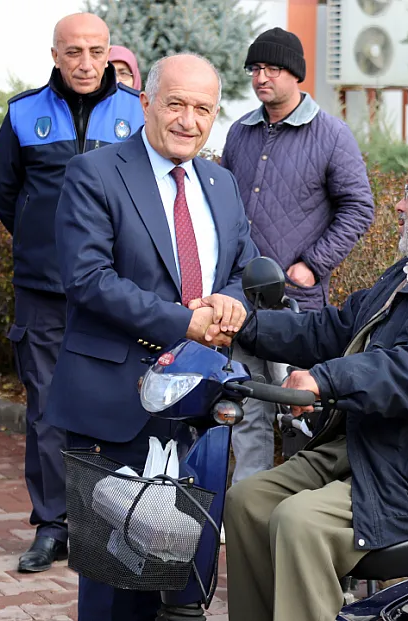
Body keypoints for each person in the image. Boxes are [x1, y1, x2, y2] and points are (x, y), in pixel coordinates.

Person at [224, 150, 408, 621]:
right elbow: (332, 328)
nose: (400, 204)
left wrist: (326, 379)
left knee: (299, 522)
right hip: (377, 446)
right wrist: (242, 326)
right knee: (248, 501)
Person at [47, 52, 260, 621]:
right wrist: (181, 322)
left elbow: (243, 267)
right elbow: (87, 279)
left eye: (203, 109)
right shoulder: (96, 173)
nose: (189, 121)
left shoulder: (221, 182)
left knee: (182, 576)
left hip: (198, 407)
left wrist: (230, 303)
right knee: (115, 581)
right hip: (116, 403)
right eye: (175, 104)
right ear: (146, 103)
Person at [0, 12, 144, 574]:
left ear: (110, 53)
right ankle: (53, 525)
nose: (85, 63)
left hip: (115, 289)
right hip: (43, 290)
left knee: (117, 405)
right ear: (54, 55)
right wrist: (48, 244)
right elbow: (6, 195)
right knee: (46, 409)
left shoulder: (138, 111)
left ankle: (110, 524)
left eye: (96, 51)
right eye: (73, 51)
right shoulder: (23, 113)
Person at [221, 27, 374, 481]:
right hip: (241, 299)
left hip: (295, 306)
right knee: (246, 406)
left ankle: (296, 503)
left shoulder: (331, 135)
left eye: (271, 68)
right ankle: (246, 502)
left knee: (298, 412)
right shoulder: (240, 132)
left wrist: (313, 264)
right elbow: (224, 206)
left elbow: (359, 207)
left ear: (295, 74)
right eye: (255, 68)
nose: (261, 77)